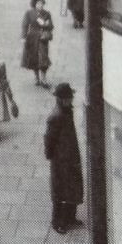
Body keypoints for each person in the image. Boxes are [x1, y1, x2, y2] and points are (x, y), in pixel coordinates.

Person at [44, 84, 86, 232]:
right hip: (61, 160)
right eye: (68, 98)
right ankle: (57, 222)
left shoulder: (67, 111)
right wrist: (50, 155)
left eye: (71, 97)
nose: (71, 100)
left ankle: (70, 217)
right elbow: (49, 138)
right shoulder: (56, 116)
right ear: (61, 99)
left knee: (73, 188)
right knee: (60, 191)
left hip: (71, 156)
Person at [21, 0, 54, 86]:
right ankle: (36, 78)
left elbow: (51, 26)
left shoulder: (47, 13)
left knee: (43, 58)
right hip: (32, 38)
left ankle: (43, 78)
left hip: (43, 38)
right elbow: (25, 25)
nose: (41, 5)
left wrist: (46, 24)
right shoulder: (29, 13)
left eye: (42, 3)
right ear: (34, 4)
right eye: (38, 3)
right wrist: (23, 37)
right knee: (34, 58)